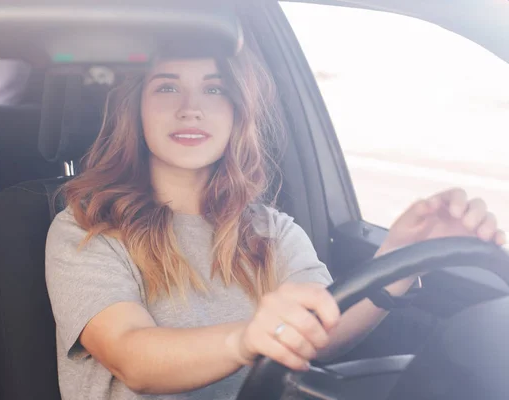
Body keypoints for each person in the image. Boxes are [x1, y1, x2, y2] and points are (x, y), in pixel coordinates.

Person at [44, 45, 506, 400]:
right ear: (135, 108)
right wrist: (246, 340)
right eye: (167, 87)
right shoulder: (86, 228)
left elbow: (322, 337)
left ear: (238, 110)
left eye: (214, 88)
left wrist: (399, 259)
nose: (191, 108)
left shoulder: (271, 229)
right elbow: (131, 356)